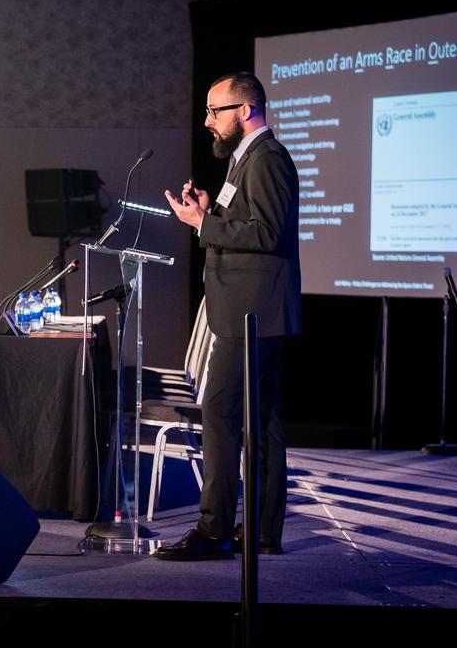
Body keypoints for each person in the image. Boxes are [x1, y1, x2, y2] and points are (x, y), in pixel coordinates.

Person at [156, 71, 301, 560]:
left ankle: (214, 528)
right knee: (261, 422)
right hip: (249, 310)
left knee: (220, 411)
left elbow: (268, 234)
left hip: (253, 311)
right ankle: (261, 530)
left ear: (246, 110)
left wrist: (204, 224)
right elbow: (245, 223)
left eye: (215, 111)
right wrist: (207, 213)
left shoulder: (267, 159)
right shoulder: (245, 161)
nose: (206, 121)